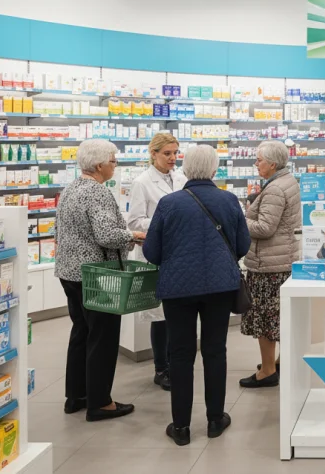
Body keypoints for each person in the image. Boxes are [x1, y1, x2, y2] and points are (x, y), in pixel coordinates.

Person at [142, 145, 250, 446]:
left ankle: (181, 427)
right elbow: (243, 245)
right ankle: (215, 419)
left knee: (180, 353)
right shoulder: (229, 200)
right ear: (214, 169)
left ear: (186, 169)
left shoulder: (169, 203)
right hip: (219, 287)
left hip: (178, 289)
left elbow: (151, 251)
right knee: (215, 350)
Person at [54, 139, 143, 422]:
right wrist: (134, 236)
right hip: (96, 275)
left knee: (81, 333)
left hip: (69, 272)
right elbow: (106, 235)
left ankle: (76, 396)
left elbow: (63, 231)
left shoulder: (71, 189)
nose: (115, 166)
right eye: (113, 161)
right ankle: (101, 402)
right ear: (99, 165)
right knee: (103, 337)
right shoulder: (97, 192)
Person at [126, 132, 188, 392]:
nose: (173, 158)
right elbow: (134, 221)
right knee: (160, 315)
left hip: (181, 253)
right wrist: (166, 220)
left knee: (178, 313)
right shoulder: (142, 182)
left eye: (175, 153)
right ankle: (161, 369)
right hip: (159, 254)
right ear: (153, 154)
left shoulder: (182, 178)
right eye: (167, 153)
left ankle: (177, 363)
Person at [239, 141, 302, 388]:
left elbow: (265, 228)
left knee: (265, 320)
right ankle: (277, 362)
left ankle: (267, 371)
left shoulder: (275, 189)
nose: (256, 164)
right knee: (278, 317)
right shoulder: (288, 180)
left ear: (273, 164)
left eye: (259, 160)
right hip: (283, 259)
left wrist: (240, 220)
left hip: (269, 264)